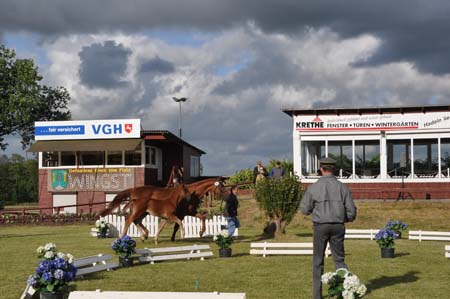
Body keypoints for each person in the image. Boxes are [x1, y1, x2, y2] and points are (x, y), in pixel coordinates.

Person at [300, 157, 357, 299]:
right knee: (339, 260)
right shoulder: (342, 187)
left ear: (321, 169)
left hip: (320, 226)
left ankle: (317, 295)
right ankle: (347, 291)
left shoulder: (313, 187)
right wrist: (345, 219)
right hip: (338, 225)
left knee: (317, 261)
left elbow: (304, 210)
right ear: (334, 169)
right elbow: (352, 211)